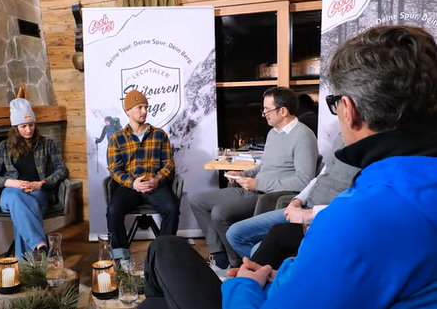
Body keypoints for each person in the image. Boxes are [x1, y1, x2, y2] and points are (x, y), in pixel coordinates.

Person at [139, 25, 437, 309]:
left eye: (334, 104)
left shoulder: (358, 218)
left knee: (164, 249)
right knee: (160, 289)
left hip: (255, 292)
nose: (264, 114)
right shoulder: (408, 187)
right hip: (281, 281)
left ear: (349, 110)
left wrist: (244, 285)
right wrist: (279, 275)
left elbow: (309, 186)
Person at [189, 87, 318, 272]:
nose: (264, 113)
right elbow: (264, 167)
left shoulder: (304, 136)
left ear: (283, 111)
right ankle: (220, 258)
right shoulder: (274, 133)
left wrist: (258, 183)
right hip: (253, 188)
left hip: (268, 196)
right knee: (197, 201)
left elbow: (304, 181)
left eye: (267, 109)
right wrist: (244, 175)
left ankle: (236, 264)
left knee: (219, 213)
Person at [225, 134, 359, 259]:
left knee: (257, 249)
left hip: (325, 218)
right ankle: (267, 271)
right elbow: (320, 177)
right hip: (304, 206)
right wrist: (297, 200)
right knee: (234, 234)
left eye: (267, 110)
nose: (265, 114)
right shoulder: (341, 137)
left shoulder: (373, 153)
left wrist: (310, 213)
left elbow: (359, 205)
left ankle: (268, 272)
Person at [0, 98, 69, 260]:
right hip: (10, 193)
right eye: (23, 126)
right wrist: (11, 183)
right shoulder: (4, 146)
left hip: (37, 192)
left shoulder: (47, 144)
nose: (29, 130)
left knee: (21, 210)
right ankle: (40, 244)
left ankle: (26, 265)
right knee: (16, 196)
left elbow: (62, 170)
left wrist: (41, 184)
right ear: (15, 128)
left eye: (31, 125)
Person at [106, 89, 179, 259]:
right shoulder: (117, 138)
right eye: (139, 107)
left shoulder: (160, 135)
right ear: (128, 111)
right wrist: (133, 183)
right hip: (130, 186)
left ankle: (162, 254)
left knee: (171, 208)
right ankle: (121, 256)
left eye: (146, 107)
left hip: (154, 185)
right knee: (113, 210)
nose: (144, 111)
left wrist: (157, 181)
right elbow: (114, 169)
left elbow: (168, 165)